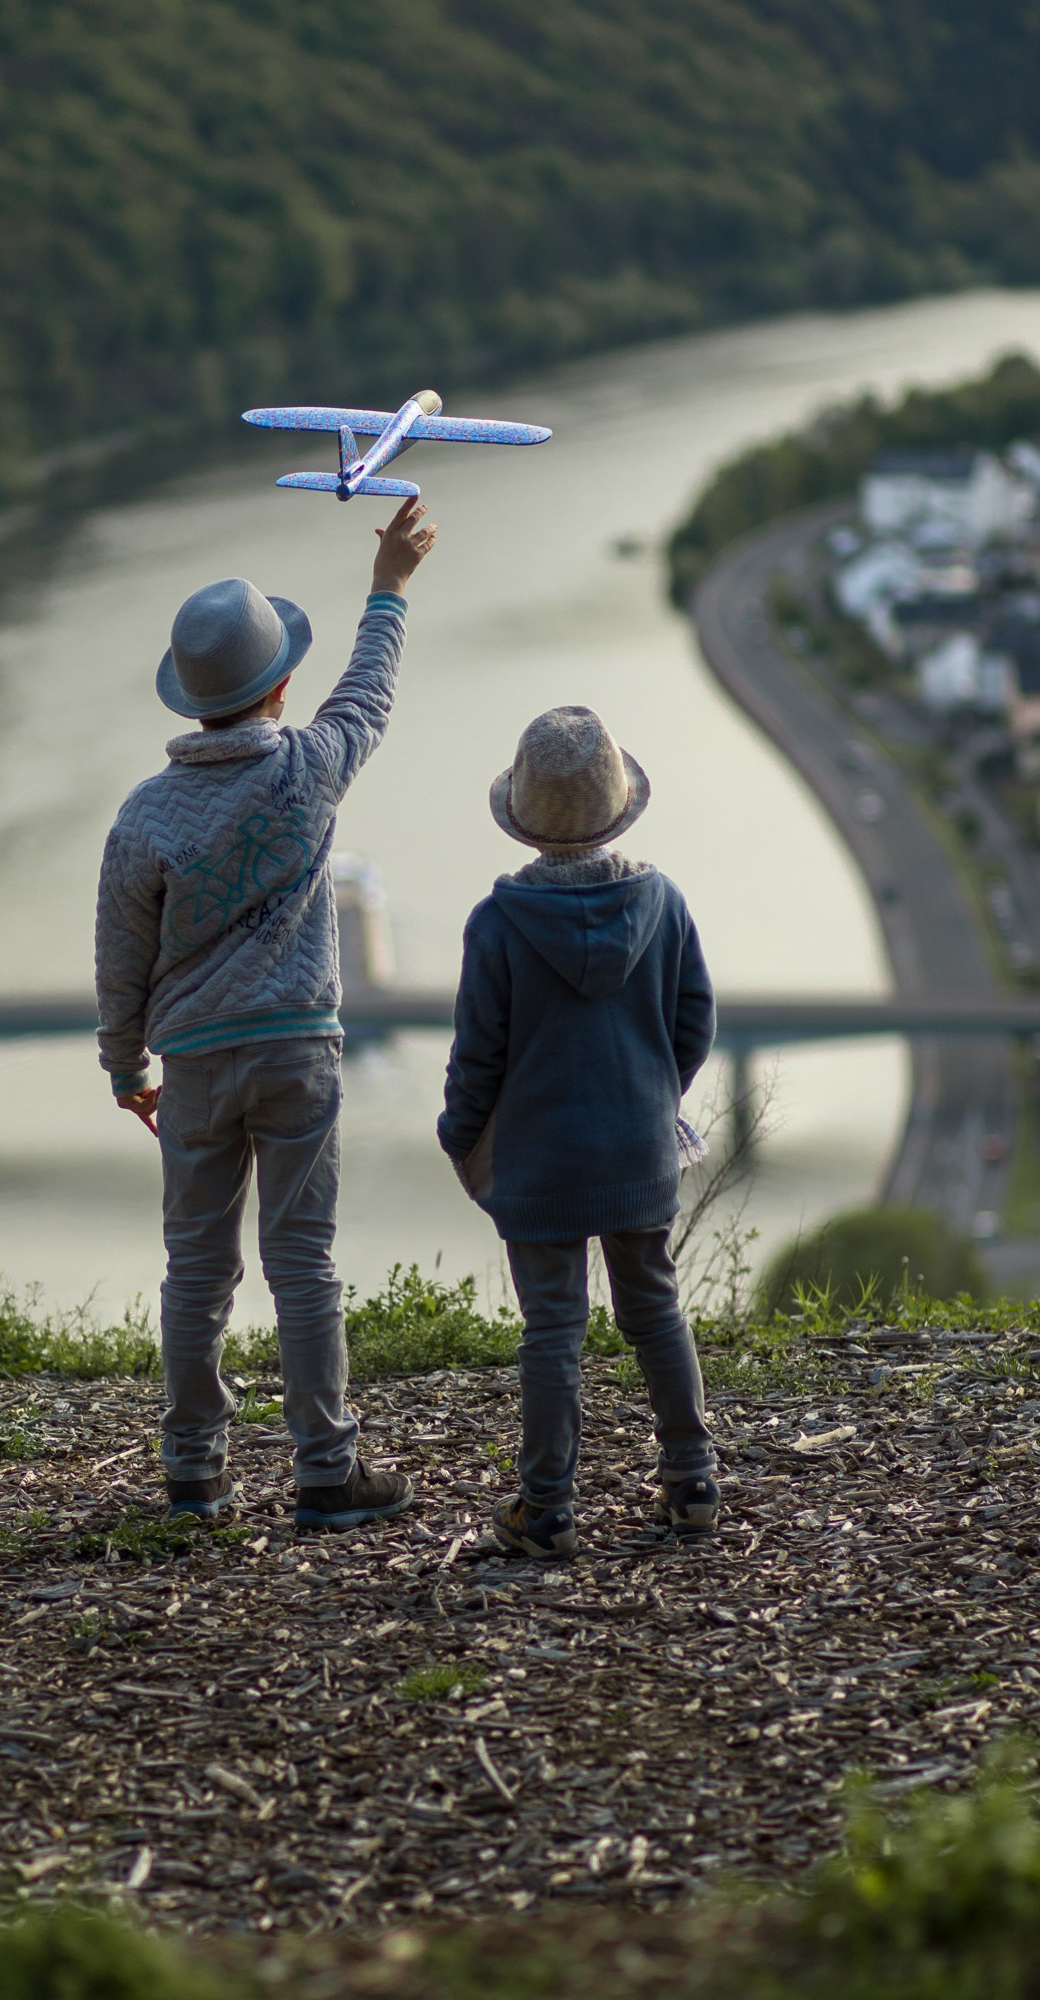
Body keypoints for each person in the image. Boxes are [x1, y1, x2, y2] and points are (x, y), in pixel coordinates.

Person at [95, 496, 436, 1530]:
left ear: (191, 697)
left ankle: (193, 1473)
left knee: (196, 1267)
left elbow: (121, 960)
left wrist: (126, 1069)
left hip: (193, 1063)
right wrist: (388, 584)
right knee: (304, 1261)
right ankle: (326, 1469)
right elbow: (368, 694)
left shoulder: (143, 816)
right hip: (298, 1055)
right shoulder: (307, 767)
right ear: (280, 683)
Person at [437, 706, 719, 1560]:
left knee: (552, 1330)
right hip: (638, 1149)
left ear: (525, 819)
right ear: (617, 807)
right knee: (654, 1308)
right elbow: (693, 1020)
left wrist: (460, 1136)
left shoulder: (498, 923)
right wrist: (647, 1097)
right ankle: (692, 1480)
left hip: (540, 1160)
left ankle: (547, 1508)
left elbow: (476, 1056)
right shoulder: (661, 901)